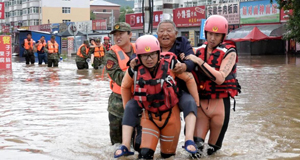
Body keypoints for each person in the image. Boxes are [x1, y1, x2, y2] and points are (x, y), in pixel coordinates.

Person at [114, 35, 199, 159]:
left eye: (153, 54)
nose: (149, 59)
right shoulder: (135, 69)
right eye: (144, 55)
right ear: (139, 57)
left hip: (171, 116)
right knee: (144, 155)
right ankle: (125, 145)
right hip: (149, 116)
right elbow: (125, 86)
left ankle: (189, 140)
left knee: (167, 156)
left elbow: (189, 79)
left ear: (159, 53)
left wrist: (197, 103)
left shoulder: (172, 64)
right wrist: (127, 109)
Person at [182, 15, 241, 157]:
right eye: (210, 33)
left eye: (217, 34)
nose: (213, 38)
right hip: (201, 105)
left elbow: (220, 78)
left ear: (223, 36)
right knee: (195, 150)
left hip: (220, 106)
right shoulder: (196, 51)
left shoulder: (230, 53)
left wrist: (199, 62)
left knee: (213, 152)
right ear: (205, 33)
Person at [104, 22, 135, 145]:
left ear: (130, 35)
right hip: (118, 104)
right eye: (115, 35)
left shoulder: (140, 49)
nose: (118, 37)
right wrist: (133, 70)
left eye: (121, 33)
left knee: (139, 145)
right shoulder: (111, 54)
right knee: (117, 145)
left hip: (139, 100)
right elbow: (118, 77)